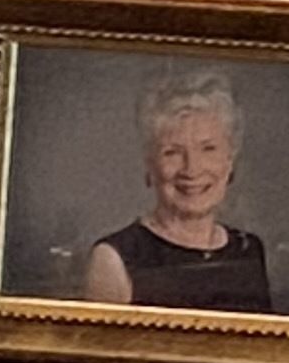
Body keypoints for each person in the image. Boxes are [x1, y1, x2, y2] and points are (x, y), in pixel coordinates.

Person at [76, 71, 274, 311]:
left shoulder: (249, 251)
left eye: (208, 149)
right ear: (150, 164)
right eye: (172, 152)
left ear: (229, 159)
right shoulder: (115, 259)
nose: (192, 169)